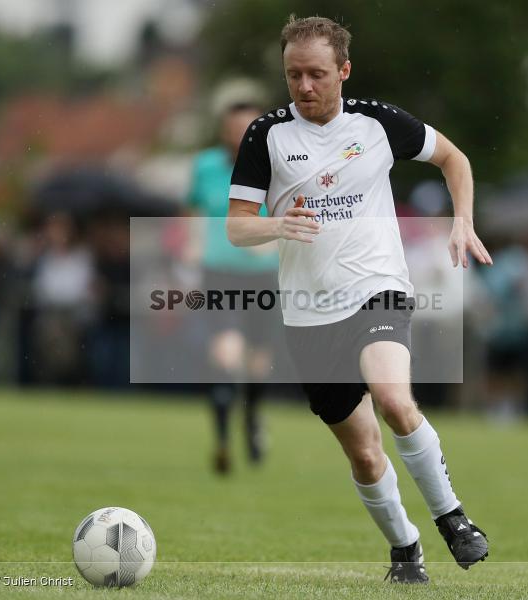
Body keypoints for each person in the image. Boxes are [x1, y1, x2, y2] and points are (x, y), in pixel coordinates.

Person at [226, 15, 493, 584]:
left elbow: (455, 159)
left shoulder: (377, 123)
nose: (304, 86)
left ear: (343, 71)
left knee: (395, 399)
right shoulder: (266, 135)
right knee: (366, 454)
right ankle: (405, 547)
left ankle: (453, 518)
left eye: (317, 74)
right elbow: (236, 228)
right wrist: (277, 225)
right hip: (308, 313)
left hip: (378, 290)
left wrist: (461, 221)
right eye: (293, 75)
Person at [187, 101, 279, 474]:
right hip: (219, 271)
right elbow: (193, 210)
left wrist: (274, 240)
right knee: (225, 353)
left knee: (257, 361)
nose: (239, 136)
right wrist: (191, 245)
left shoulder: (274, 164)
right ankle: (222, 440)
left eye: (247, 128)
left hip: (262, 273)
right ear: (223, 131)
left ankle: (252, 419)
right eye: (233, 128)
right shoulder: (206, 166)